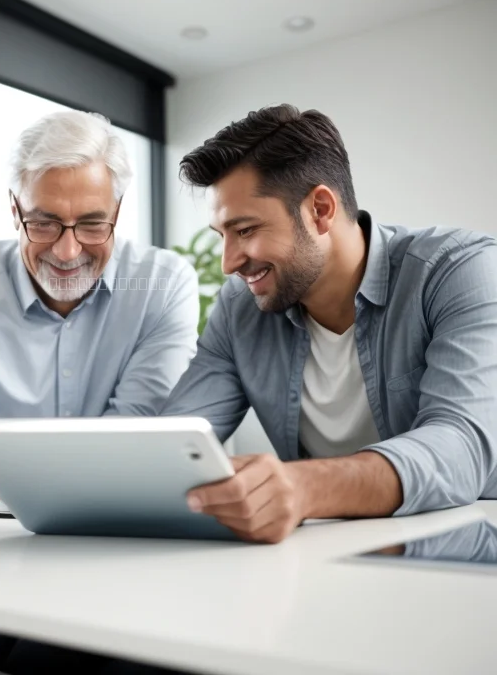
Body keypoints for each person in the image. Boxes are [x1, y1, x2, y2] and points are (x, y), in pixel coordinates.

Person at [162, 103, 497, 544]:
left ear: (320, 209)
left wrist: (305, 486)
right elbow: (174, 444)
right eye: (221, 236)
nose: (228, 264)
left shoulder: (456, 270)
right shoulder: (239, 307)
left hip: (463, 544)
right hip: (318, 553)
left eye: (244, 230)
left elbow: (462, 447)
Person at [0, 110, 199, 474]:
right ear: (15, 211)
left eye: (93, 224)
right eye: (44, 224)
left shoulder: (163, 285)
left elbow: (139, 436)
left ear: (118, 211)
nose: (67, 252)